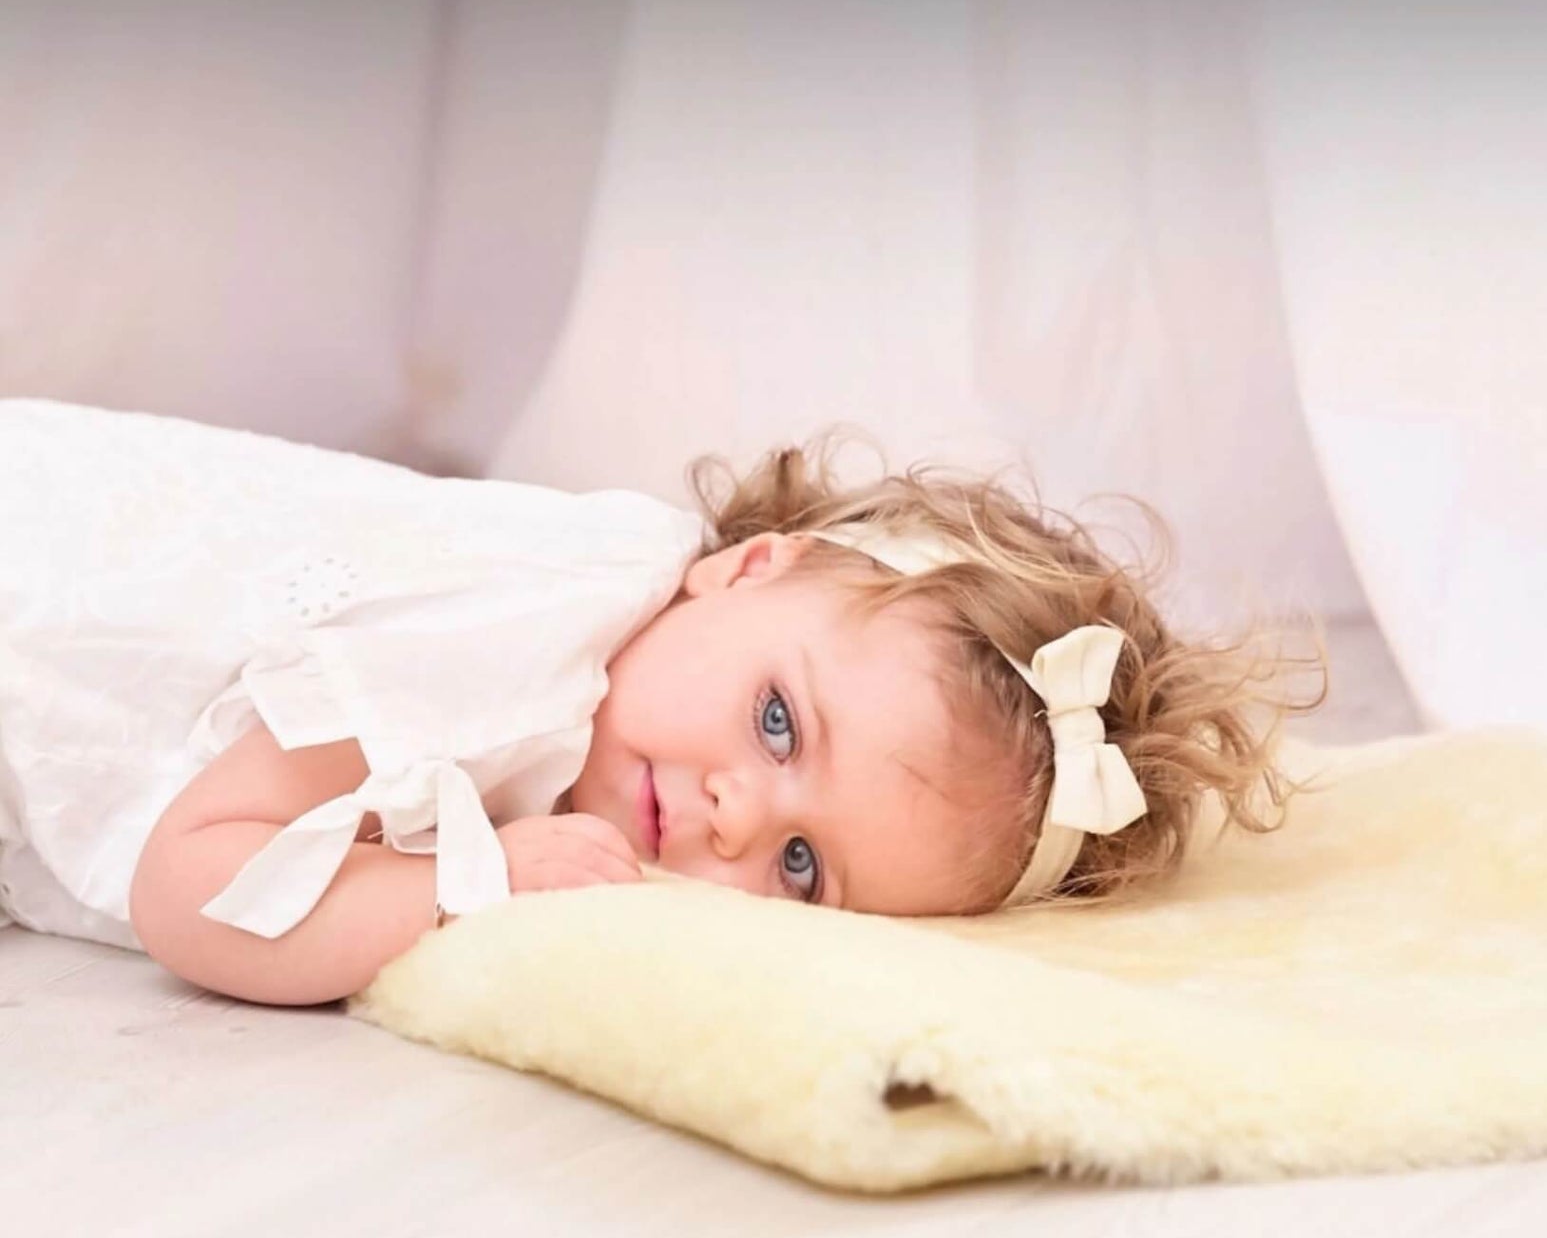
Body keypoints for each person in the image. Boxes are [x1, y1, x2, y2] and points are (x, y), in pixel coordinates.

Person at [0, 400, 1321, 1007]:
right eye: (776, 722)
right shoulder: (502, 643)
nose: (736, 819)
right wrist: (468, 886)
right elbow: (199, 889)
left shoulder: (642, 645)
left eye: (805, 866)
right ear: (747, 565)